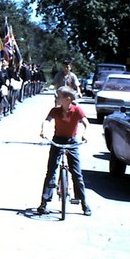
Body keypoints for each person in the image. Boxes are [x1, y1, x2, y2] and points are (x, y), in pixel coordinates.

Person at [37, 86, 91, 216]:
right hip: (57, 140)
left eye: (59, 96)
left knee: (77, 174)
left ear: (68, 99)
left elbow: (86, 123)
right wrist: (43, 130)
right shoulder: (55, 111)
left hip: (72, 141)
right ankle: (44, 202)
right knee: (51, 171)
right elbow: (46, 120)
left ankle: (84, 203)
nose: (56, 98)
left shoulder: (77, 110)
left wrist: (85, 134)